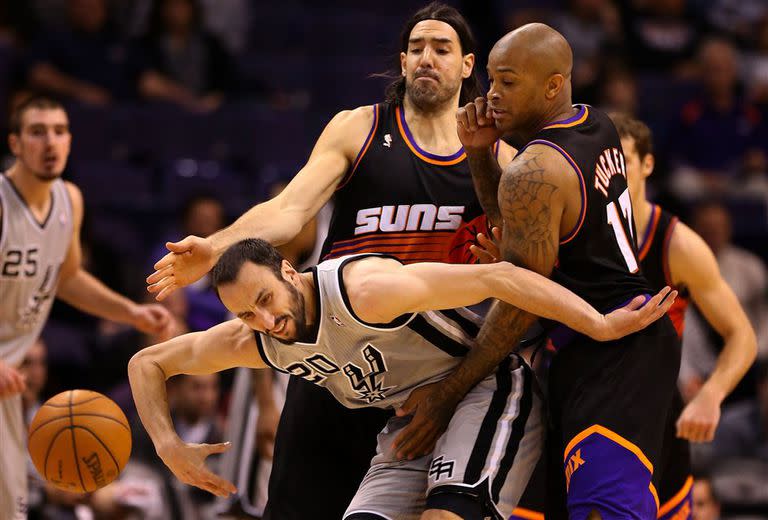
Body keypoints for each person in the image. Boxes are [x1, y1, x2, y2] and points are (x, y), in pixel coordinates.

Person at [145, 4, 518, 518]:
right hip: (334, 358)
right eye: (415, 49)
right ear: (403, 63)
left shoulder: (495, 157)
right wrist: (216, 246)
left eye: (441, 48)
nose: (426, 58)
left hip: (426, 375)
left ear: (469, 64)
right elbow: (289, 210)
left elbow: (520, 264)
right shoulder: (359, 128)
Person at [130, 238, 674, 519]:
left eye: (267, 299)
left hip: (483, 391)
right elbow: (146, 364)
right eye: (247, 314)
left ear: (289, 273)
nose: (266, 320)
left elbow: (500, 276)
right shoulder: (258, 340)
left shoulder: (365, 291)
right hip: (409, 428)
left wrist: (599, 324)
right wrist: (166, 444)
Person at [400, 23, 678, 519]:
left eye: (508, 82)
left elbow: (517, 303)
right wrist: (481, 153)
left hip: (613, 350)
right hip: (603, 343)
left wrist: (448, 393)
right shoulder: (597, 122)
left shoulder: (535, 170)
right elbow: (522, 230)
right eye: (490, 79)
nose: (491, 95)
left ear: (552, 86)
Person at [0, 95, 173, 520]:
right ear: (16, 144)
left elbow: (68, 276)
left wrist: (129, 312)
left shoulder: (69, 201)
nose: (50, 142)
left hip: (9, 377)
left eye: (59, 131)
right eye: (37, 132)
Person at [613, 113, 756, 519]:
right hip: (573, 398)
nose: (612, 173)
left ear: (647, 164)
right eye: (602, 162)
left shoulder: (679, 245)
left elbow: (741, 335)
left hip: (652, 409)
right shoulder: (570, 232)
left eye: (622, 160)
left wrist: (712, 394)